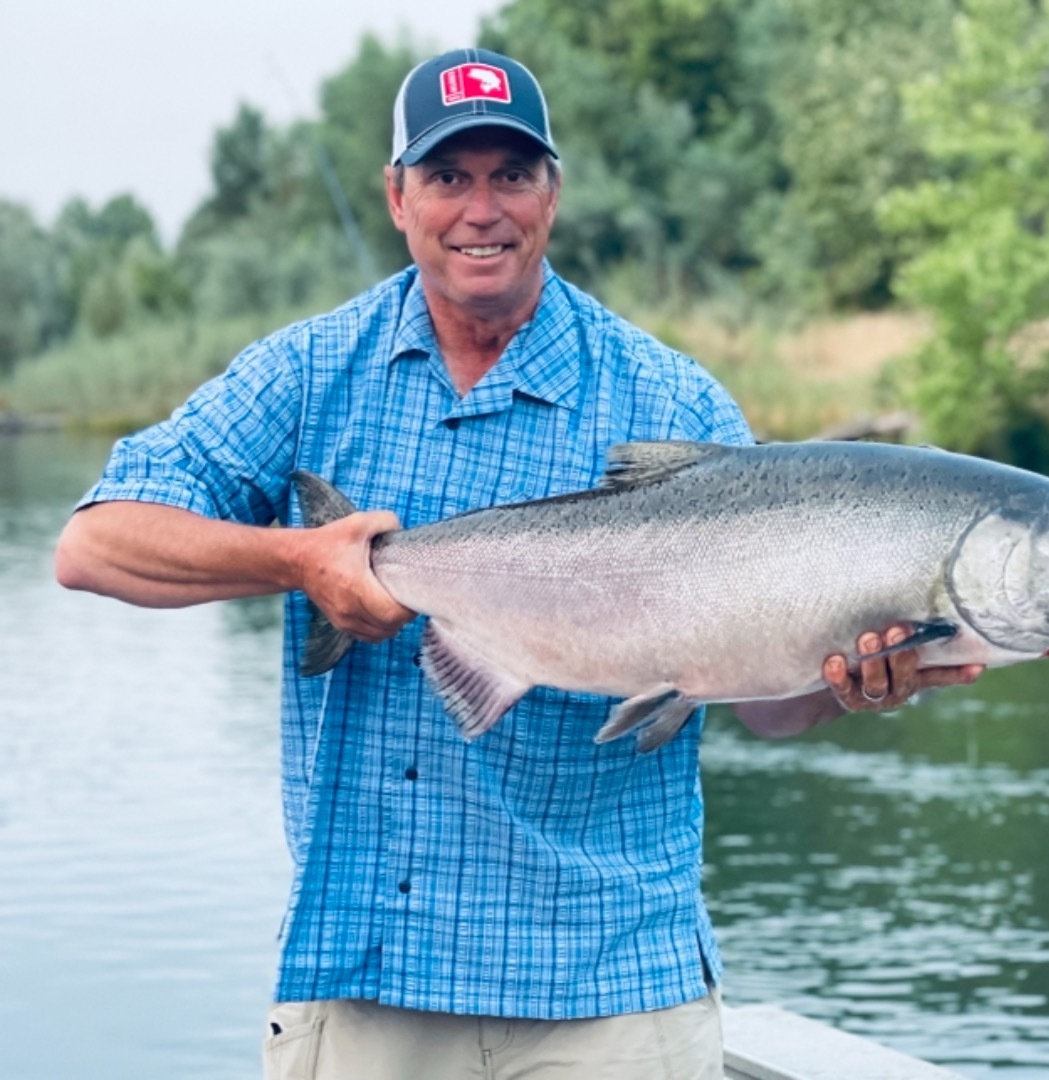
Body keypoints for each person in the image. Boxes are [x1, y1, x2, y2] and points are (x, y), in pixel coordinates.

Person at [55, 48, 982, 1080]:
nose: (480, 209)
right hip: (369, 976)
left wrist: (838, 683)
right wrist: (301, 560)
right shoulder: (310, 370)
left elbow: (760, 707)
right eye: (449, 176)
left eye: (511, 174)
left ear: (552, 191)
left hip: (613, 991)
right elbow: (95, 543)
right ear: (397, 197)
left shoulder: (672, 404)